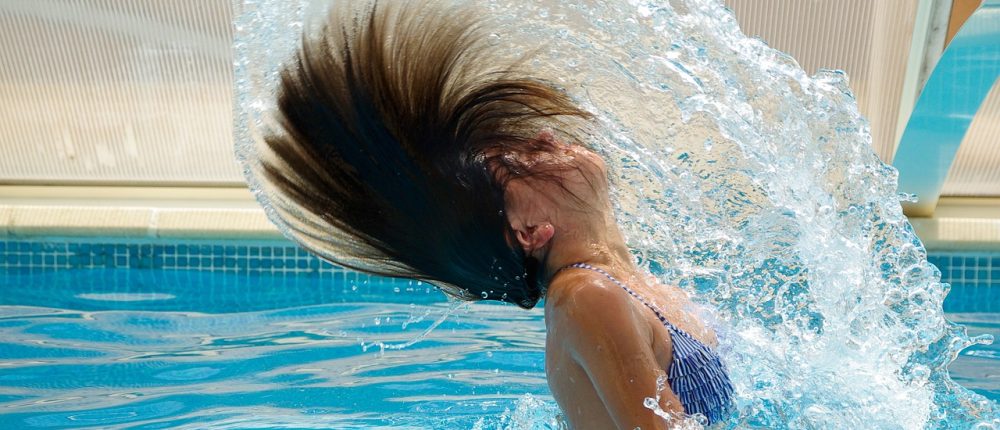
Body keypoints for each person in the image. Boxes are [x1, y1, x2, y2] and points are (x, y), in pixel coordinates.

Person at [255, 1, 734, 428]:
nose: (545, 140)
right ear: (528, 231)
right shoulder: (586, 297)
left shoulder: (630, 290)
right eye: (515, 162)